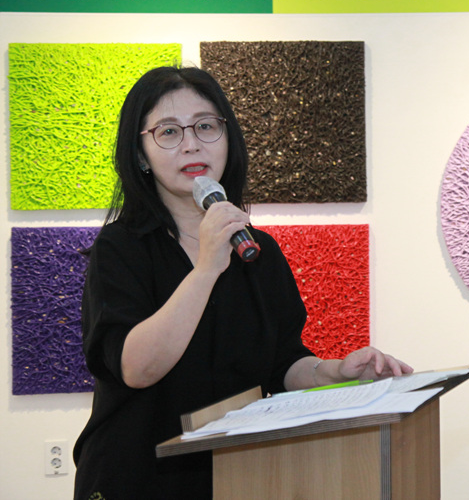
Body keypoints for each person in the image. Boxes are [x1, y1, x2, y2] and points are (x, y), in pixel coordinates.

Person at [73, 66, 412, 500]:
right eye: (169, 132)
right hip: (138, 478)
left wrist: (334, 372)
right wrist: (206, 268)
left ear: (227, 138)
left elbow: (282, 364)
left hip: (239, 476)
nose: (192, 143)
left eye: (206, 126)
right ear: (141, 155)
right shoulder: (121, 247)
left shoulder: (257, 250)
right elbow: (137, 368)